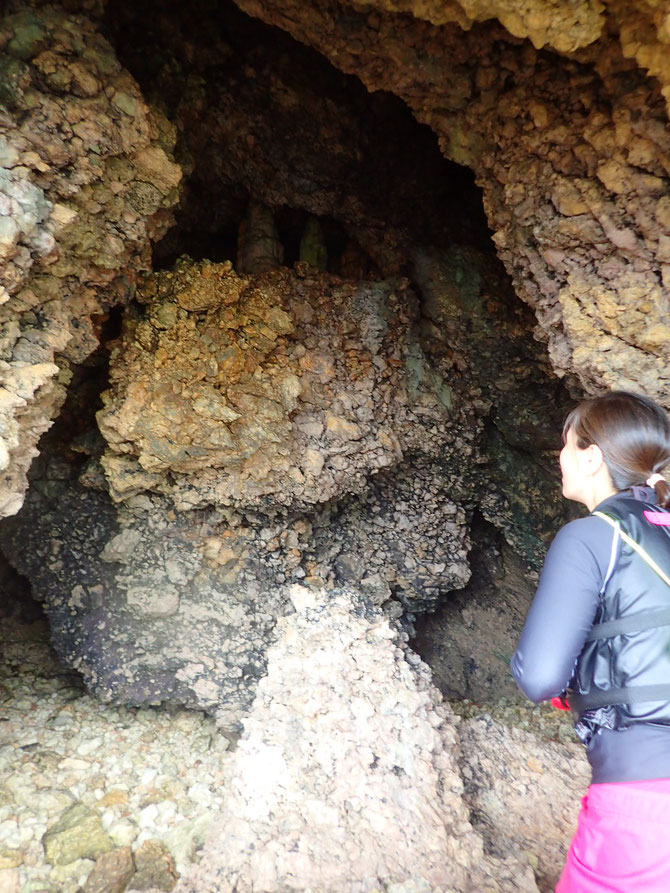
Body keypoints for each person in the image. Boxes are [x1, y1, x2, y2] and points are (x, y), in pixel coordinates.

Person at [510, 390, 670, 892]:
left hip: (647, 799)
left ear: (592, 455)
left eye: (566, 444)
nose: (558, 457)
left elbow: (539, 675)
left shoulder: (590, 537)